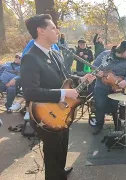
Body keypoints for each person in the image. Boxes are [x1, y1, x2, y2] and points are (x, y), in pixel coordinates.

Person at [20, 14, 96, 180]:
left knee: (62, 145)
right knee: (52, 149)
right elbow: (30, 92)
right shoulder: (30, 58)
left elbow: (66, 77)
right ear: (40, 31)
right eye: (53, 27)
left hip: (62, 111)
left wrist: (81, 79)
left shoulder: (55, 54)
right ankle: (54, 175)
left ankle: (60, 171)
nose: (57, 31)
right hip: (45, 113)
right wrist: (64, 93)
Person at [92, 41, 126, 134]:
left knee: (117, 107)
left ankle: (118, 127)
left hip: (117, 88)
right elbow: (94, 66)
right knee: (99, 105)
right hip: (101, 86)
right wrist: (97, 73)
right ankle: (98, 125)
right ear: (122, 50)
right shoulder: (105, 54)